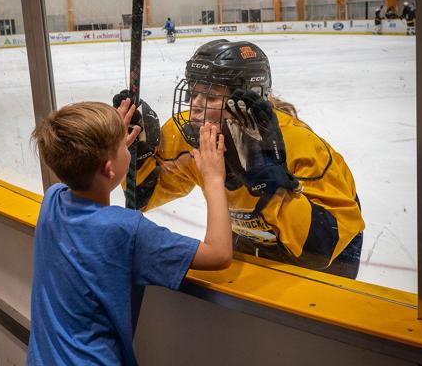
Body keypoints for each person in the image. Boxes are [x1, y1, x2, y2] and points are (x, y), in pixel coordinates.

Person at [23, 100, 231, 366]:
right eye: (122, 146)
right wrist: (214, 178)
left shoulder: (52, 202)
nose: (127, 148)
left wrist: (105, 143)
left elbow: (79, 170)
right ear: (108, 168)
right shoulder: (127, 230)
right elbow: (219, 253)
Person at [116, 39, 365, 279]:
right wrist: (138, 157)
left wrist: (271, 187)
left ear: (247, 98)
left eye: (211, 97)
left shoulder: (299, 145)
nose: (195, 106)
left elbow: (323, 249)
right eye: (193, 93)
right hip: (251, 233)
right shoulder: (187, 136)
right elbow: (140, 199)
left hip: (328, 247)